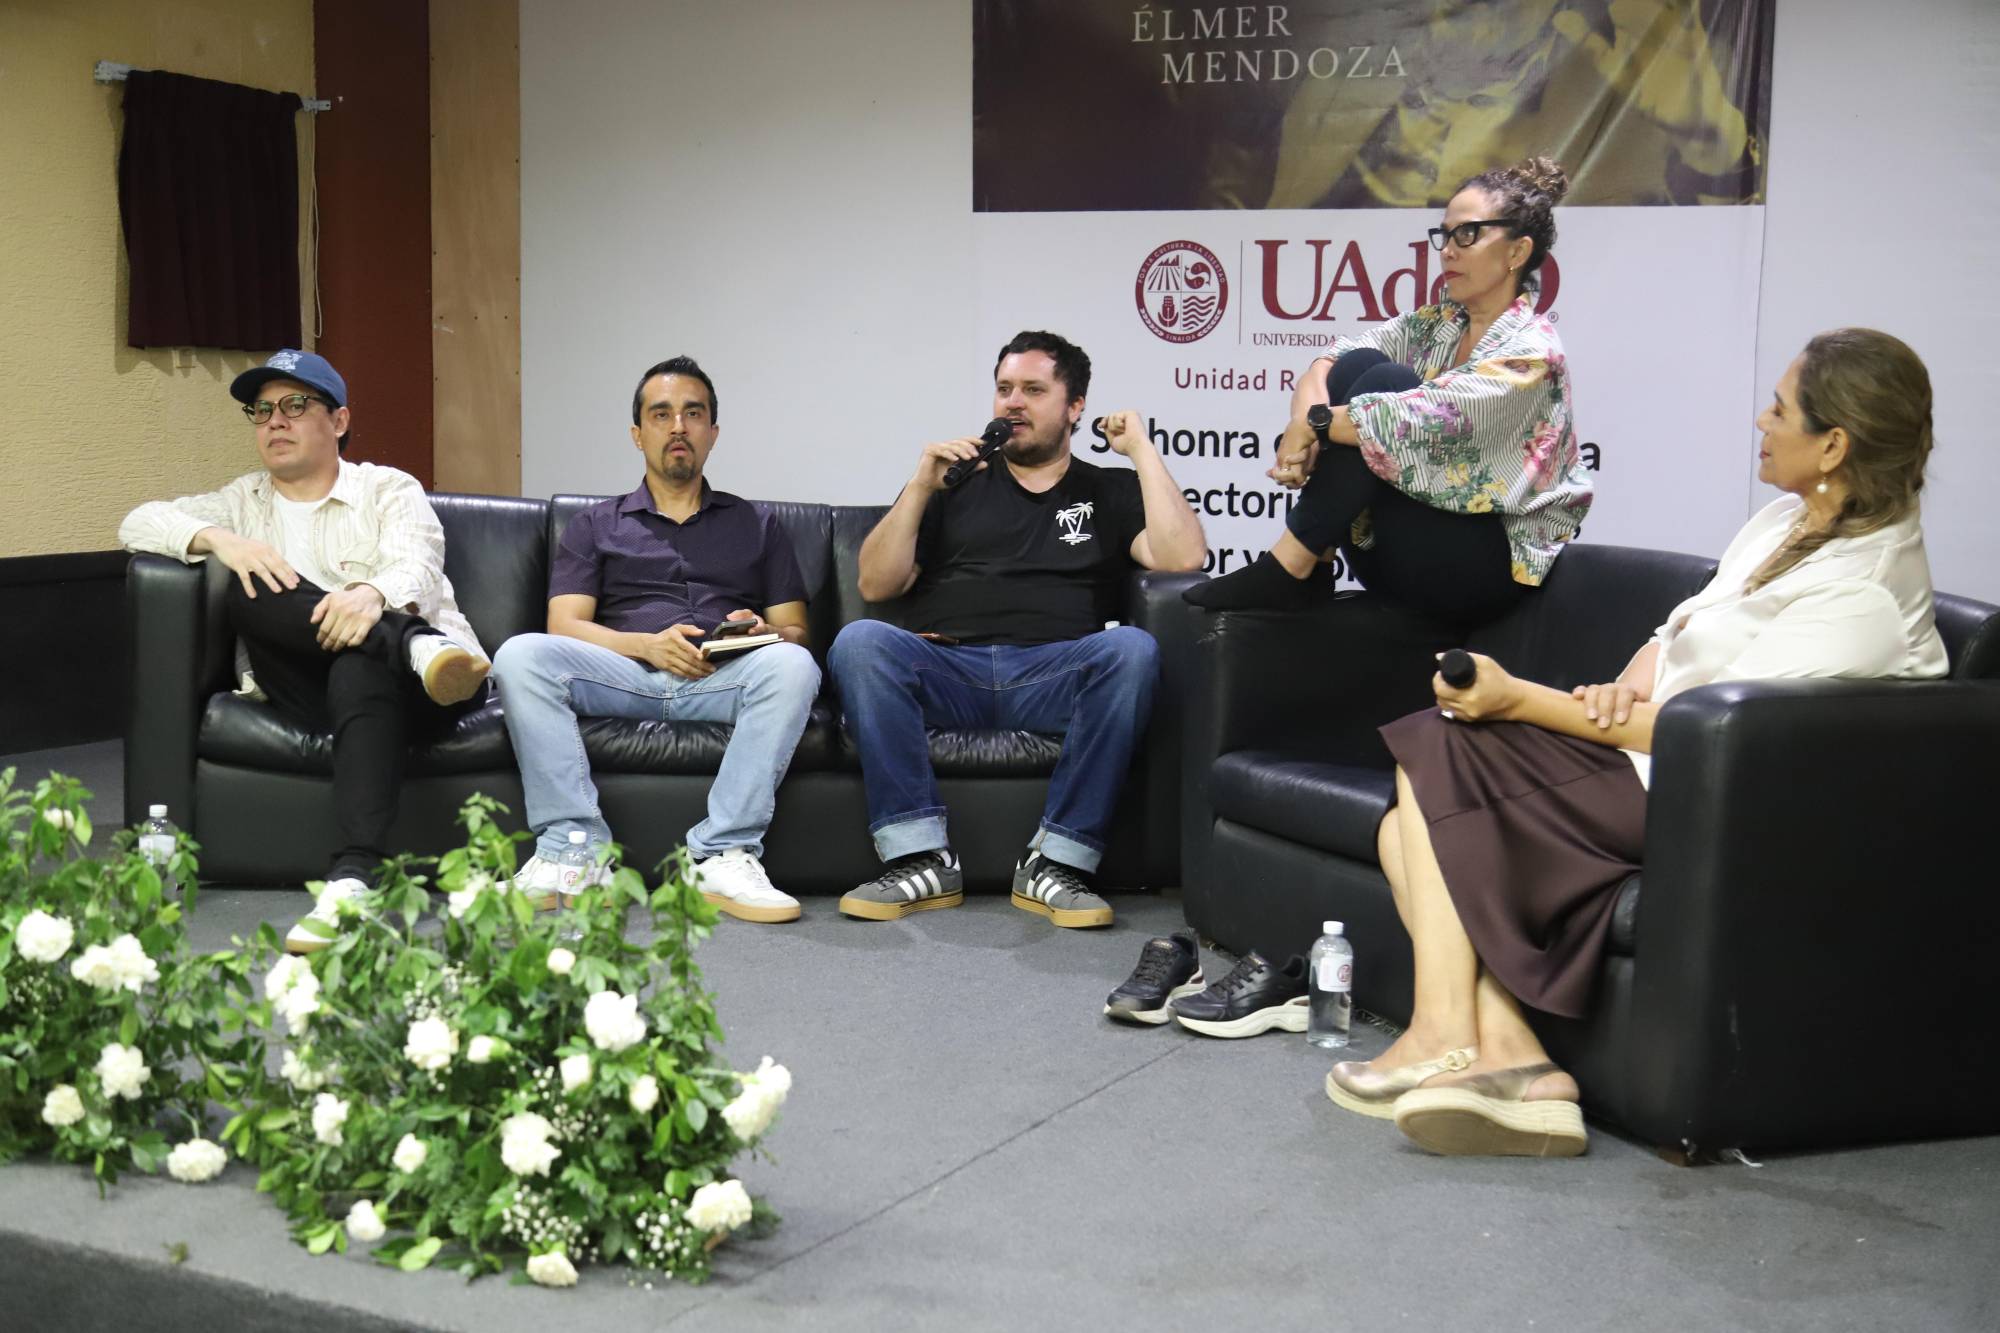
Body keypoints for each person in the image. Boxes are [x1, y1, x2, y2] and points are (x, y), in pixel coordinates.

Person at [1324, 329, 1947, 1157]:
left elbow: (1719, 736)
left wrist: (1524, 700)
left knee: (1435, 756)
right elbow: (1678, 628)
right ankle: (1514, 1056)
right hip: (1656, 764)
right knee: (1415, 798)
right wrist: (1631, 676)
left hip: (1712, 805)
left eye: (1781, 408)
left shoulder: (1863, 597)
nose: (1762, 419)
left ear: (1834, 443)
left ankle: (1444, 1030)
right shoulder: (1786, 520)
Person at [118, 350, 491, 953]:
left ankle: (354, 877)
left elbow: (416, 564)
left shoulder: (387, 488)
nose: (275, 422)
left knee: (357, 661)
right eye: (261, 411)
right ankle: (411, 645)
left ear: (338, 422)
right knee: (253, 585)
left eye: (295, 405)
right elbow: (137, 521)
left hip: (415, 691)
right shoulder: (244, 502)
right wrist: (221, 541)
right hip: (309, 683)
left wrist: (368, 597)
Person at [830, 330, 1205, 928]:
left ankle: (1055, 863)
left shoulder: (1108, 490)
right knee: (860, 641)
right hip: (950, 669)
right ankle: (920, 859)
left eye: (1033, 390)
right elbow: (876, 585)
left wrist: (1141, 453)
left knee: (1131, 649)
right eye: (1004, 389)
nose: (1013, 403)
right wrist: (921, 485)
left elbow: (1183, 558)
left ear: (1074, 406)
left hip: (1052, 674)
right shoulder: (954, 483)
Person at [1186, 156, 1592, 631]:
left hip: (1481, 572)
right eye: (1445, 234)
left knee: (1386, 389)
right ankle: (1311, 565)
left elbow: (1408, 420)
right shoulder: (1438, 324)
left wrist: (1312, 425)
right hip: (1399, 556)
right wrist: (1307, 419)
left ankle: (1289, 566)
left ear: (1517, 252)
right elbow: (1330, 360)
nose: (1448, 251)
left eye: (1469, 234)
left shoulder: (1531, 353)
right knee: (1361, 367)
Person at [492, 357, 819, 924]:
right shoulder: (595, 523)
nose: (678, 427)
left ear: (712, 433)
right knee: (521, 655)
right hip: (623, 675)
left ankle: (721, 854)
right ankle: (574, 850)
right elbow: (564, 625)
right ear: (637, 433)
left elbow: (796, 631)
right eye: (661, 414)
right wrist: (645, 645)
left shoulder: (759, 523)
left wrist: (766, 634)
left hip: (721, 677)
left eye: (693, 414)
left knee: (794, 666)